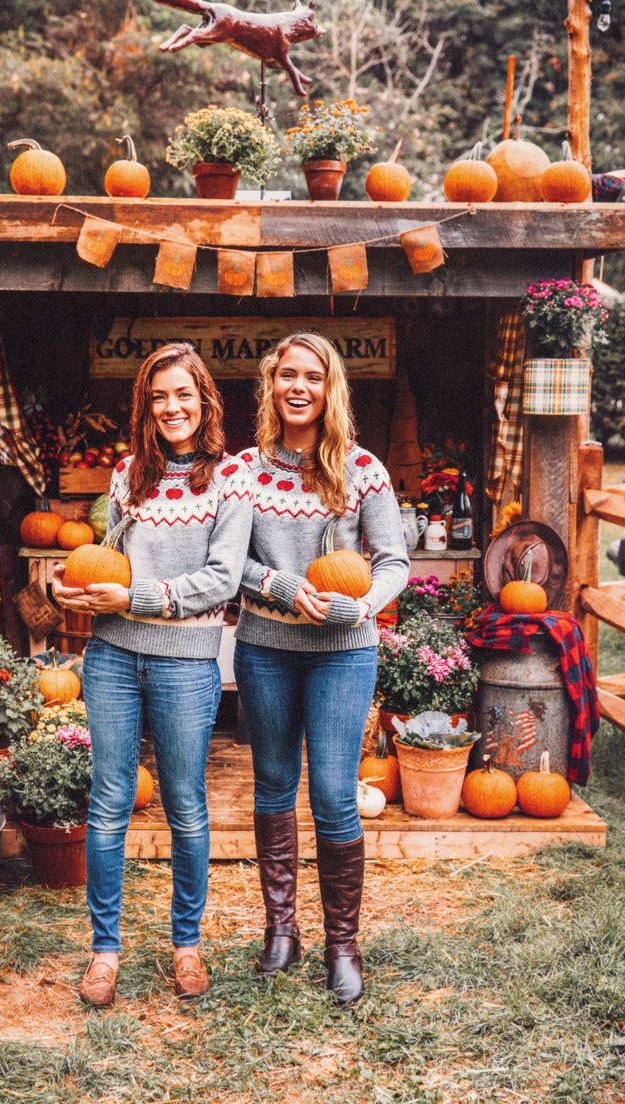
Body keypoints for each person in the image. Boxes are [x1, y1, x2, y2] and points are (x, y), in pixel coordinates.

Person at [52, 343, 252, 1006]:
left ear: (204, 401)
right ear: (146, 405)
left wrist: (132, 598)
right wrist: (67, 589)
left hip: (186, 660)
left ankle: (186, 946)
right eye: (159, 396)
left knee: (185, 806)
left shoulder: (229, 479)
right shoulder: (126, 474)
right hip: (111, 655)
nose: (172, 407)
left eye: (184, 394)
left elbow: (222, 580)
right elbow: (106, 562)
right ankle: (104, 952)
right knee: (109, 804)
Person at [233, 332, 409, 1005]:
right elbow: (230, 563)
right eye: (286, 375)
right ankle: (282, 929)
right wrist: (280, 586)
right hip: (267, 646)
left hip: (343, 652)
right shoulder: (242, 471)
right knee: (274, 786)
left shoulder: (363, 470)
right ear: (271, 385)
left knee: (335, 793)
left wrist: (362, 604)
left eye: (311, 375)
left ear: (329, 386)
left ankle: (343, 944)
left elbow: (392, 560)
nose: (298, 386)